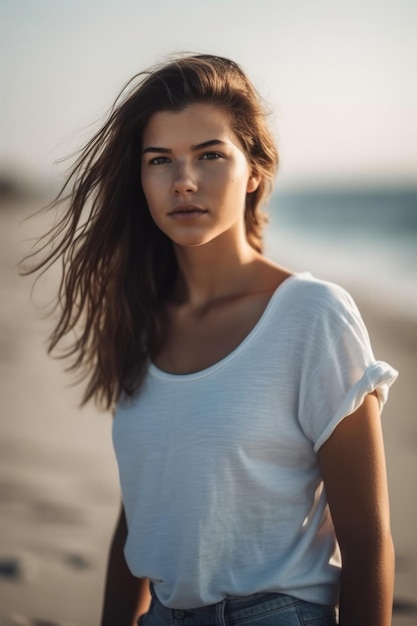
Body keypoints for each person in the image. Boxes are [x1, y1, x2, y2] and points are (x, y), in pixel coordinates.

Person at [26, 54, 398, 626]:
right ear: (141, 178)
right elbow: (142, 516)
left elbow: (368, 539)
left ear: (255, 170)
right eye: (160, 160)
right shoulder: (140, 320)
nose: (184, 181)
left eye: (209, 155)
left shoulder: (312, 316)